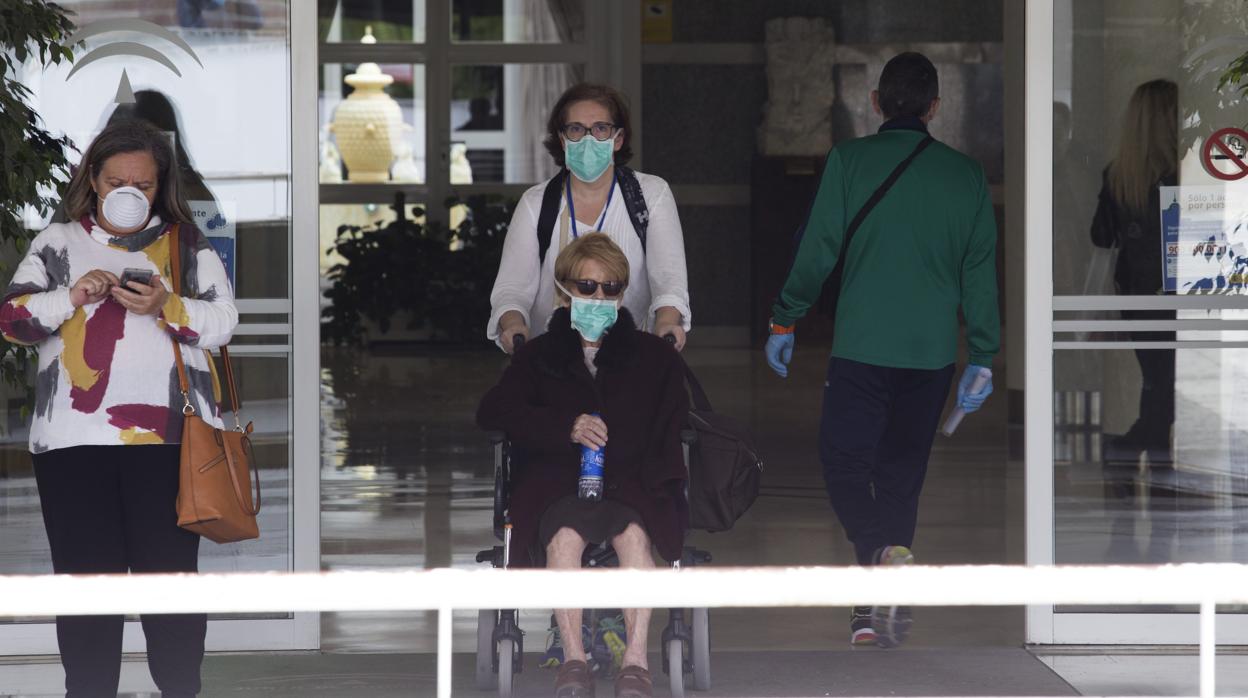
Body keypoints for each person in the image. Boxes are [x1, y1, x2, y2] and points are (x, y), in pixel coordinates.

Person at [763, 52, 999, 649]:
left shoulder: (849, 160)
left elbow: (817, 250)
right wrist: (983, 355)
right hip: (931, 356)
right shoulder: (966, 176)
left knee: (843, 465)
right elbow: (980, 274)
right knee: (900, 477)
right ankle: (874, 606)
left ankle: (875, 565)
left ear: (876, 102)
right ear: (935, 107)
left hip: (862, 348)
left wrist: (785, 318)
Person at [0, 119, 238, 697]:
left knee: (171, 586)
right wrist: (73, 295)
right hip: (72, 446)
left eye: (145, 183)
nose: (130, 192)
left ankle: (181, 689)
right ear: (94, 180)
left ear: (161, 187)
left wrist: (166, 303)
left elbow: (223, 323)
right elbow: (13, 321)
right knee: (86, 589)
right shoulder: (55, 242)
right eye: (116, 180)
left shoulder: (185, 244)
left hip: (169, 443)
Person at [478, 233, 688, 698]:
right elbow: (494, 412)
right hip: (558, 485)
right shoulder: (536, 357)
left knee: (635, 538)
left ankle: (635, 663)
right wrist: (563, 427)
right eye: (587, 286)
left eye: (611, 288)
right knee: (565, 538)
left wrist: (652, 468)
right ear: (564, 290)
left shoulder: (653, 357)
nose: (600, 297)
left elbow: (674, 422)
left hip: (630, 481)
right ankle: (574, 659)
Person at [487, 83, 691, 353]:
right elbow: (511, 290)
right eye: (575, 129)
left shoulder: (650, 196)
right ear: (562, 139)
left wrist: (666, 323)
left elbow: (669, 281)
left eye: (600, 129)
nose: (588, 139)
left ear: (618, 138)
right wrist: (513, 325)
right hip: (552, 360)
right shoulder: (536, 204)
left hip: (627, 358)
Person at [1091, 79, 1179, 487]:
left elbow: (1101, 236)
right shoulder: (1180, 175)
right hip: (1172, 295)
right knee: (1163, 385)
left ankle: (1152, 464)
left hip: (1137, 296)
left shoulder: (1119, 174)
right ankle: (1139, 456)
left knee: (1158, 383)